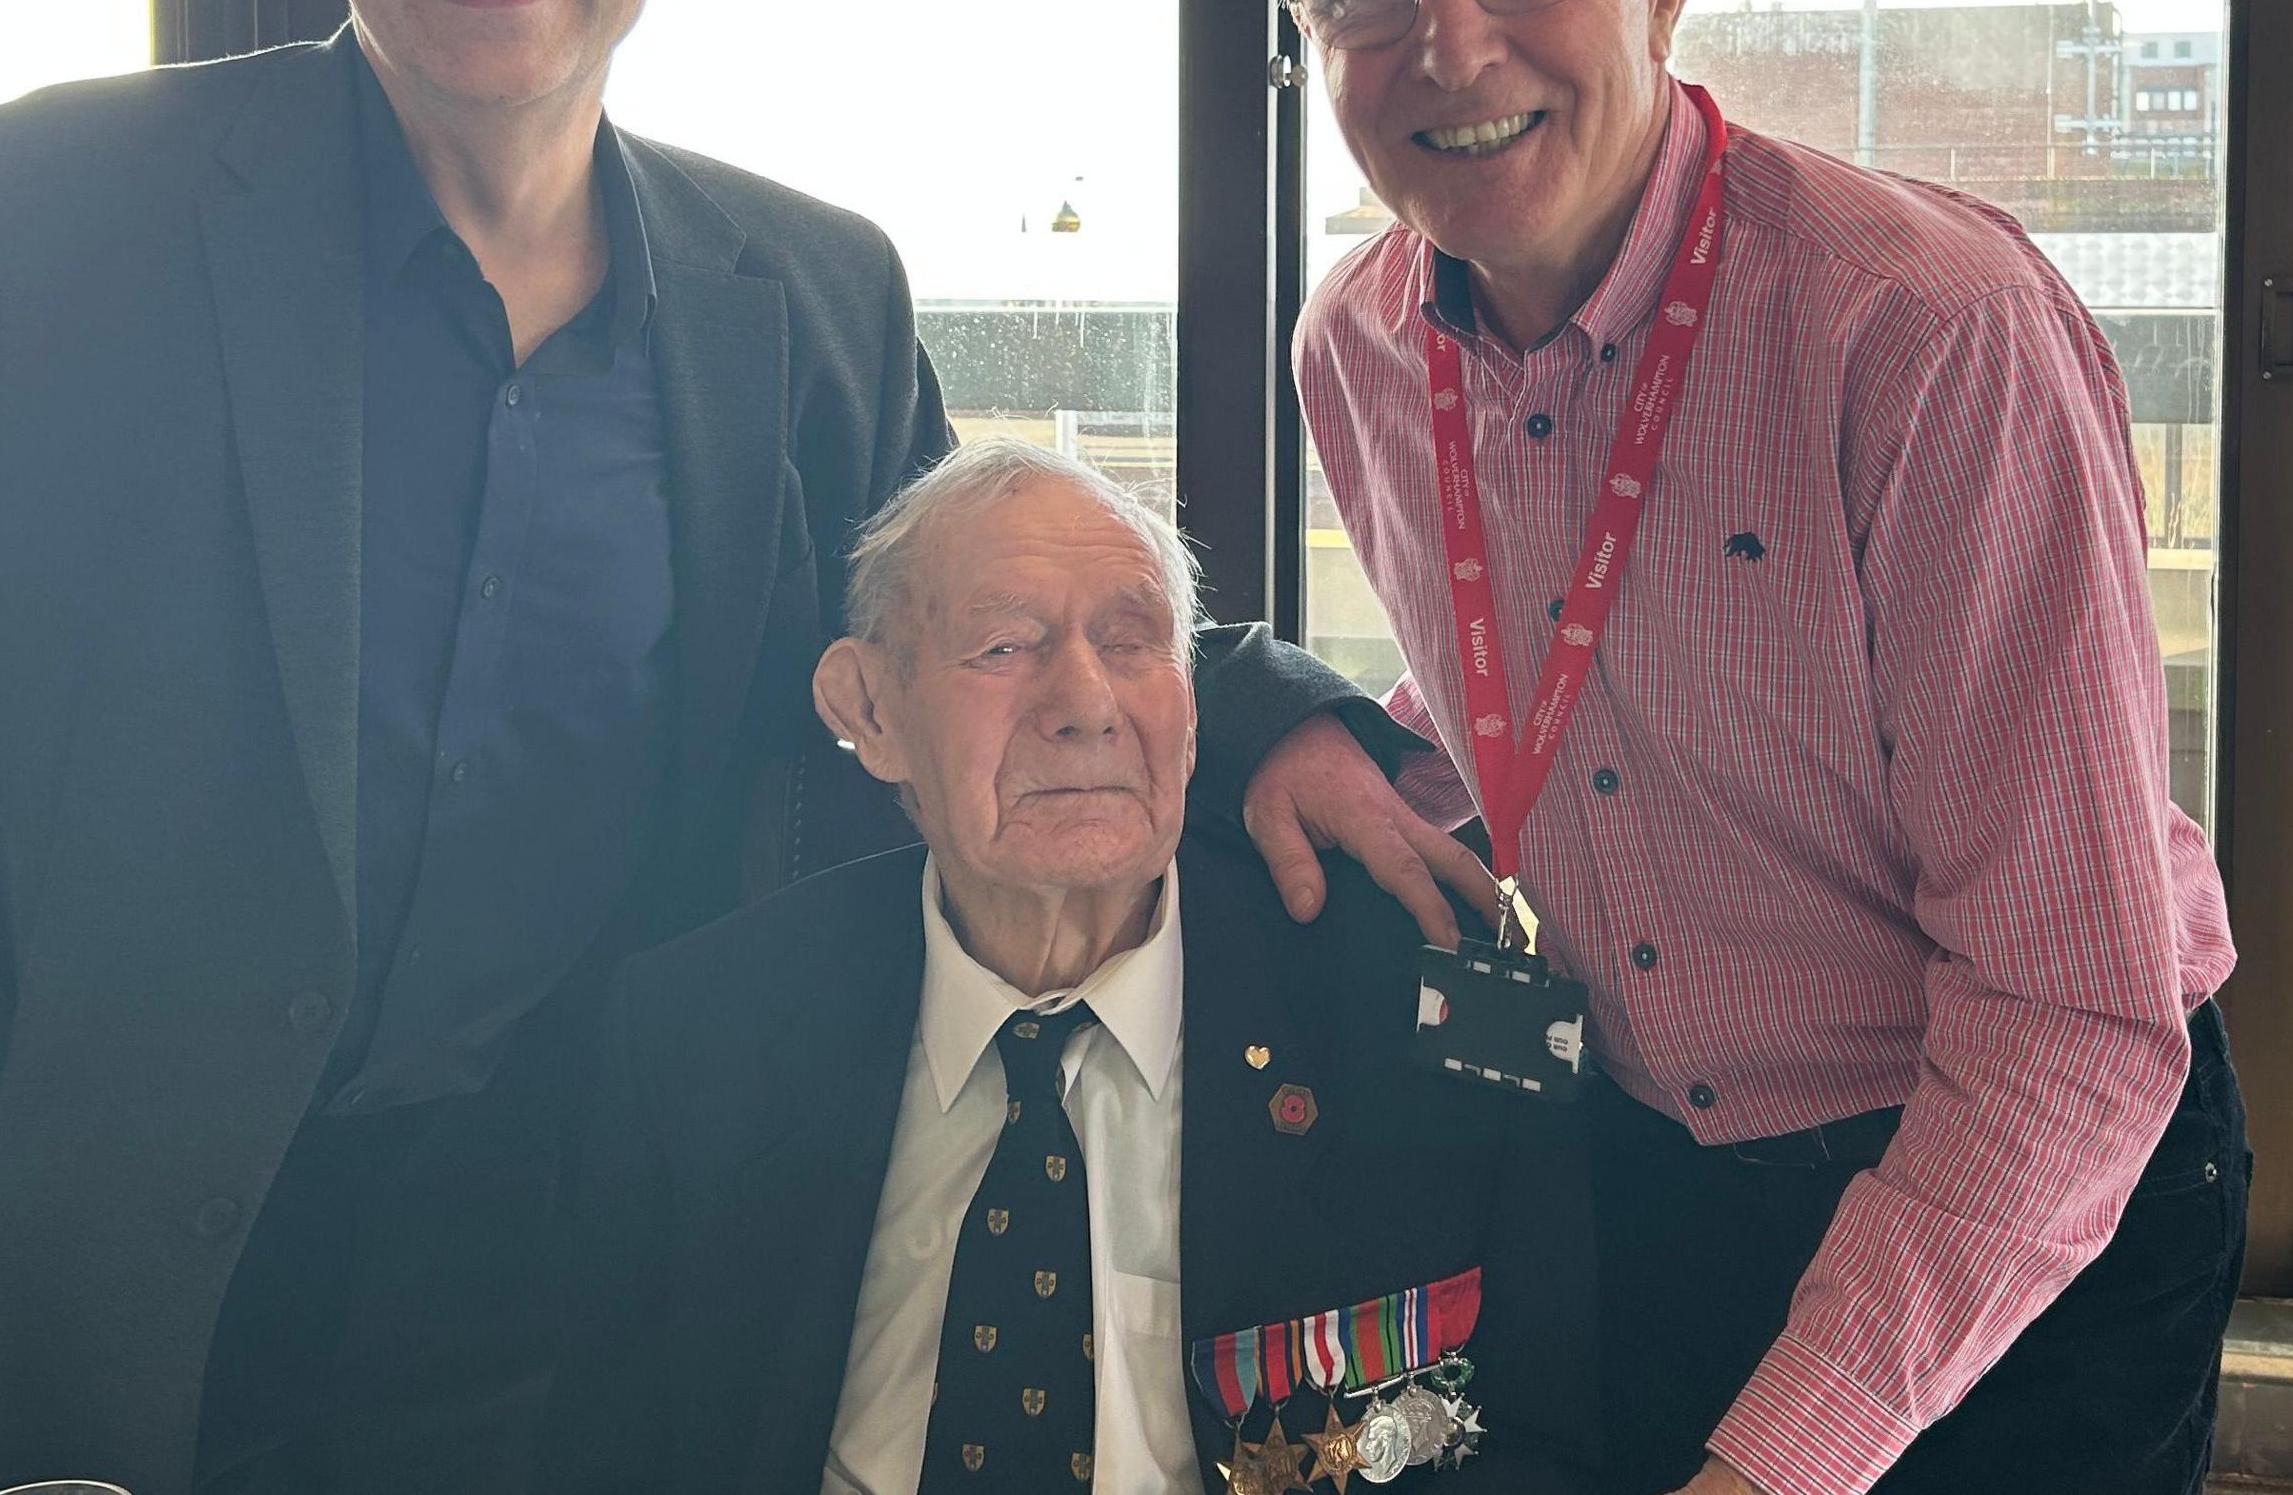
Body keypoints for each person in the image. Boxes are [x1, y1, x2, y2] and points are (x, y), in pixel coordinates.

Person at [0, 0, 1397, 1495]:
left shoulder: (806, 296)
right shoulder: (45, 213)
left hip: (583, 1275)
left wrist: (1282, 708)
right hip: (79, 1257)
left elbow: (969, 610)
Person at [1236, 0, 2247, 1495]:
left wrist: (1792, 1456)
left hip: (2024, 1159)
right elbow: (1542, 695)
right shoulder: (1360, 344)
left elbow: (2076, 1008)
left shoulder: (1925, 330)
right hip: (1653, 1163)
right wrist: (1333, 742)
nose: (1447, 41)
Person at [552, 440, 1596, 1495]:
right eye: (1005, 646)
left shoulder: (1440, 1004)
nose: (1086, 702)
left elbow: (1552, 1439)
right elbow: (614, 1450)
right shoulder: (692, 1033)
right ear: (870, 710)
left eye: (1133, 643)